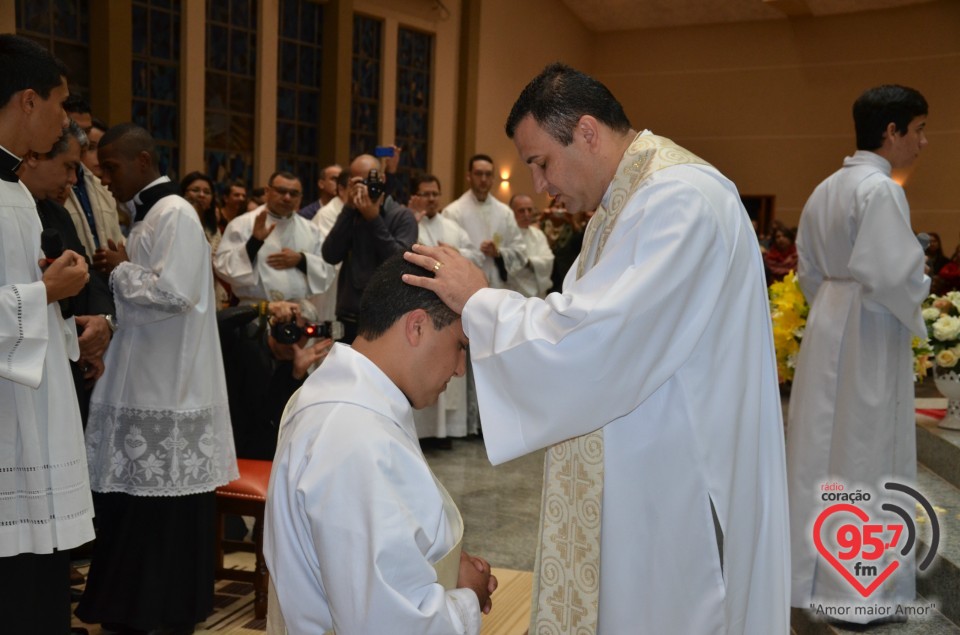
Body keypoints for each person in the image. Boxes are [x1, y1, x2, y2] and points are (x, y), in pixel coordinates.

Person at [404, 63, 789, 634]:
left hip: (681, 486)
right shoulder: (625, 206)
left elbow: (594, 340)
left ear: (586, 132)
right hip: (644, 476)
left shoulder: (680, 199)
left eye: (540, 162)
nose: (538, 184)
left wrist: (480, 302)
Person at [265, 254, 496, 634]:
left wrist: (439, 564)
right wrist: (466, 596)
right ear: (417, 327)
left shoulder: (346, 401)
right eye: (460, 346)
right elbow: (383, 622)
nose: (459, 369)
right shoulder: (353, 435)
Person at [77, 123, 238, 634]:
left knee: (160, 514)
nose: (104, 179)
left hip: (171, 390)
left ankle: (160, 611)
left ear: (143, 161)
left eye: (112, 168)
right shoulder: (149, 217)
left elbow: (175, 294)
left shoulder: (176, 214)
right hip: (142, 381)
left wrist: (119, 269)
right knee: (131, 509)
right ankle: (129, 609)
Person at [786, 85, 930, 624]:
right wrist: (923, 282)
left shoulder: (826, 188)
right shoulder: (880, 189)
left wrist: (831, 306)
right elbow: (895, 275)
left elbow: (806, 272)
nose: (921, 143)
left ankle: (808, 575)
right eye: (917, 130)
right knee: (864, 452)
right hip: (869, 327)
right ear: (890, 132)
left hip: (829, 320)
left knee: (818, 455)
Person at [0, 34, 95, 635]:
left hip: (28, 406)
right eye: (61, 104)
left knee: (36, 577)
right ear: (29, 100)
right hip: (8, 418)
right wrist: (46, 296)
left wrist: (45, 290)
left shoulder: (14, 190)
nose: (65, 119)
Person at [19, 118, 116, 423]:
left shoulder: (56, 213)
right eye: (68, 166)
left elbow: (87, 279)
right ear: (34, 157)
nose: (74, 179)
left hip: (65, 366)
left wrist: (102, 321)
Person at [409, 174, 481, 442]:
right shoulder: (408, 222)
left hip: (448, 306)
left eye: (434, 194)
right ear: (415, 196)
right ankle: (420, 431)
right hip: (418, 304)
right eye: (425, 194)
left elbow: (475, 256)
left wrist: (455, 254)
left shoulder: (451, 227)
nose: (431, 199)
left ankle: (443, 432)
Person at [321, 153, 419, 343]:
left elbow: (400, 262)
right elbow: (330, 255)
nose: (364, 187)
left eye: (368, 180)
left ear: (381, 179)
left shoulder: (402, 216)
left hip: (386, 318)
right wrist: (349, 208)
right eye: (358, 182)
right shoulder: (351, 213)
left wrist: (373, 219)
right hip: (349, 316)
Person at [219, 300, 333, 460]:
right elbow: (214, 323)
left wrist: (296, 377)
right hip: (223, 443)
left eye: (303, 334)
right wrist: (262, 308)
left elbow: (279, 423)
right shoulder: (247, 337)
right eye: (290, 330)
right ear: (274, 324)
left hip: (259, 458)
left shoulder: (295, 369)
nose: (295, 339)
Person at [214, 171, 336, 305]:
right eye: (281, 191)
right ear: (267, 191)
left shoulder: (311, 229)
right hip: (256, 310)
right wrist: (254, 242)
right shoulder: (242, 224)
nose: (287, 198)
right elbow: (222, 267)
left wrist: (301, 260)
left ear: (300, 197)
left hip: (297, 310)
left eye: (294, 194)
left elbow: (327, 270)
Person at [442, 154, 526, 290]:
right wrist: (474, 254)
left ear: (493, 178)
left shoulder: (505, 213)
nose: (483, 179)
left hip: (499, 287)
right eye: (478, 174)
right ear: (469, 176)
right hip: (466, 287)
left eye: (488, 174)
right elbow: (448, 253)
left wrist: (498, 253)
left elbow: (520, 252)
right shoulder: (452, 212)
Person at [505, 194, 554, 298]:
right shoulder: (506, 235)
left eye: (529, 210)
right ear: (511, 212)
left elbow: (548, 260)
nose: (526, 214)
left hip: (538, 295)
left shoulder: (538, 234)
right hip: (512, 293)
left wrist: (529, 262)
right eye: (521, 211)